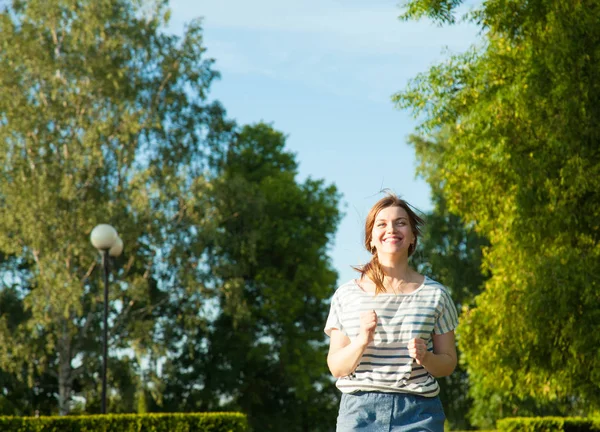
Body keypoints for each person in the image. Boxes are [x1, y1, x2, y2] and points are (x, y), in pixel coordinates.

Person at [324, 194, 458, 431]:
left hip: (419, 412)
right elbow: (336, 367)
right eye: (382, 224)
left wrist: (426, 357)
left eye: (401, 222)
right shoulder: (346, 295)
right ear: (371, 239)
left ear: (412, 236)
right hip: (359, 413)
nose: (391, 229)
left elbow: (447, 364)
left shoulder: (436, 295)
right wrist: (361, 341)